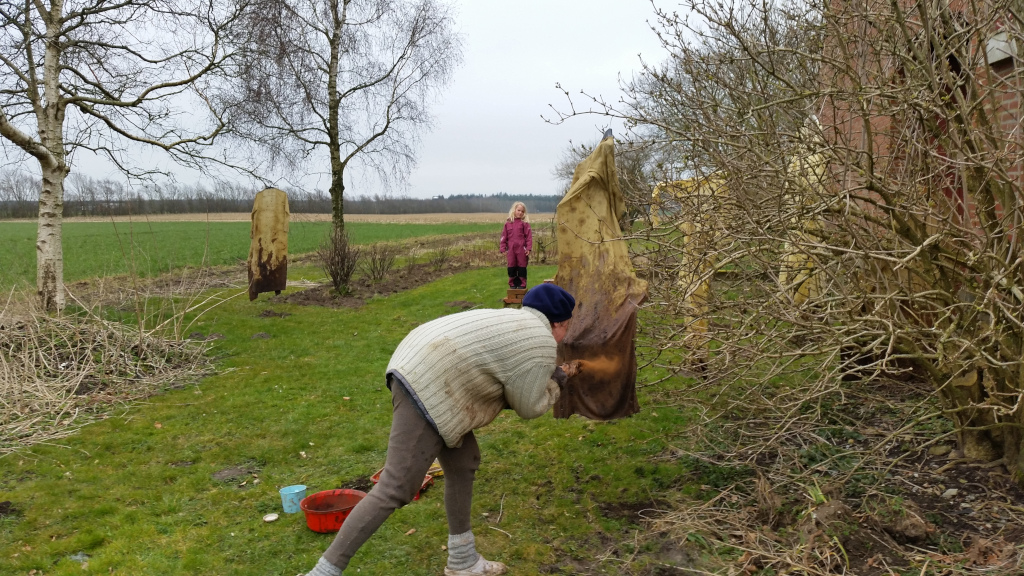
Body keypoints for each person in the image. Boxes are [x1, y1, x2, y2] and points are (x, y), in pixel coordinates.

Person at [303, 283, 577, 576]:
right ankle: (322, 572)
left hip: (419, 363)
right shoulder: (540, 340)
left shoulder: (513, 320)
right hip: (427, 383)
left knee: (463, 461)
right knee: (395, 487)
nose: (565, 336)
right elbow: (529, 407)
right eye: (566, 328)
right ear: (557, 322)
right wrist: (558, 379)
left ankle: (463, 559)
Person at [499, 202, 533, 289]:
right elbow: (504, 237)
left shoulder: (525, 224)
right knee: (511, 265)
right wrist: (502, 248)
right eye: (518, 210)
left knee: (522, 265)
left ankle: (522, 283)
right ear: (514, 210)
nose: (520, 212)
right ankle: (512, 283)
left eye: (522, 211)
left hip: (521, 248)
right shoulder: (508, 223)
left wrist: (528, 248)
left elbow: (529, 237)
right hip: (511, 248)